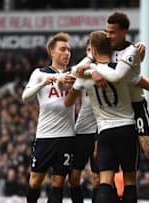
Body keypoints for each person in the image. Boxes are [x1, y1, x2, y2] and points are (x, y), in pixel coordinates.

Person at [76, 11, 149, 202]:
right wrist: (90, 68)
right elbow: (79, 67)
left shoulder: (132, 50)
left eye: (112, 32)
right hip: (111, 111)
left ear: (124, 32)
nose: (108, 35)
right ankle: (105, 194)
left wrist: (93, 69)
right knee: (99, 157)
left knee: (147, 146)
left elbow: (124, 75)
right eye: (107, 31)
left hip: (134, 105)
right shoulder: (103, 49)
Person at [65, 30, 146, 203]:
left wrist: (87, 68)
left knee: (104, 182)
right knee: (130, 181)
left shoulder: (86, 76)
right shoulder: (121, 70)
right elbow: (148, 85)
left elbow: (69, 100)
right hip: (127, 129)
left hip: (105, 132)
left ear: (92, 50)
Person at [22, 32, 77, 203]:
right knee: (35, 180)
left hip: (67, 136)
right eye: (62, 49)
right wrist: (42, 84)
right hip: (45, 136)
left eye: (68, 50)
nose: (67, 53)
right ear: (52, 52)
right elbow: (25, 97)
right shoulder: (40, 73)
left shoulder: (73, 74)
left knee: (58, 182)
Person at [66, 40, 100, 203]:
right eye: (88, 49)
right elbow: (73, 74)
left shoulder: (106, 69)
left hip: (101, 128)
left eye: (92, 49)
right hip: (83, 128)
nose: (90, 52)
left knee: (98, 178)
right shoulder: (83, 69)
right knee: (73, 177)